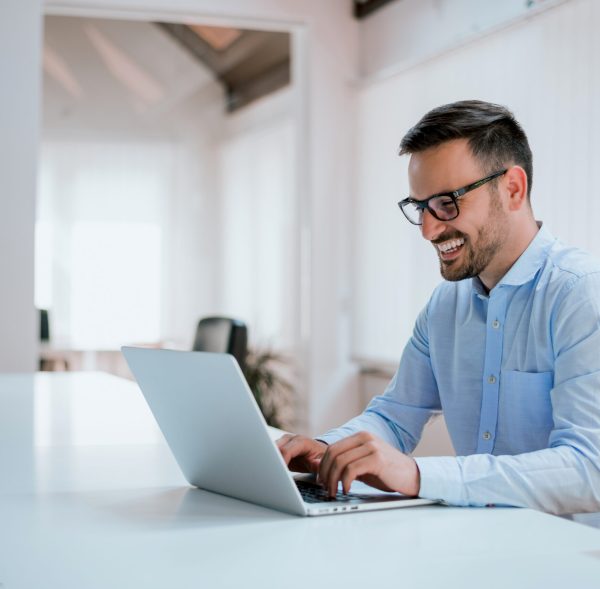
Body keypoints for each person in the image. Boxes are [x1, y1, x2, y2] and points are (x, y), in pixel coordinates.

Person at [277, 100, 600, 515]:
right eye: (420, 207)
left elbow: (590, 468)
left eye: (447, 203)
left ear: (513, 189)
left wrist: (416, 475)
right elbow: (396, 416)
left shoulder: (581, 295)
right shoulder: (447, 304)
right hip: (478, 544)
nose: (429, 229)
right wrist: (326, 449)